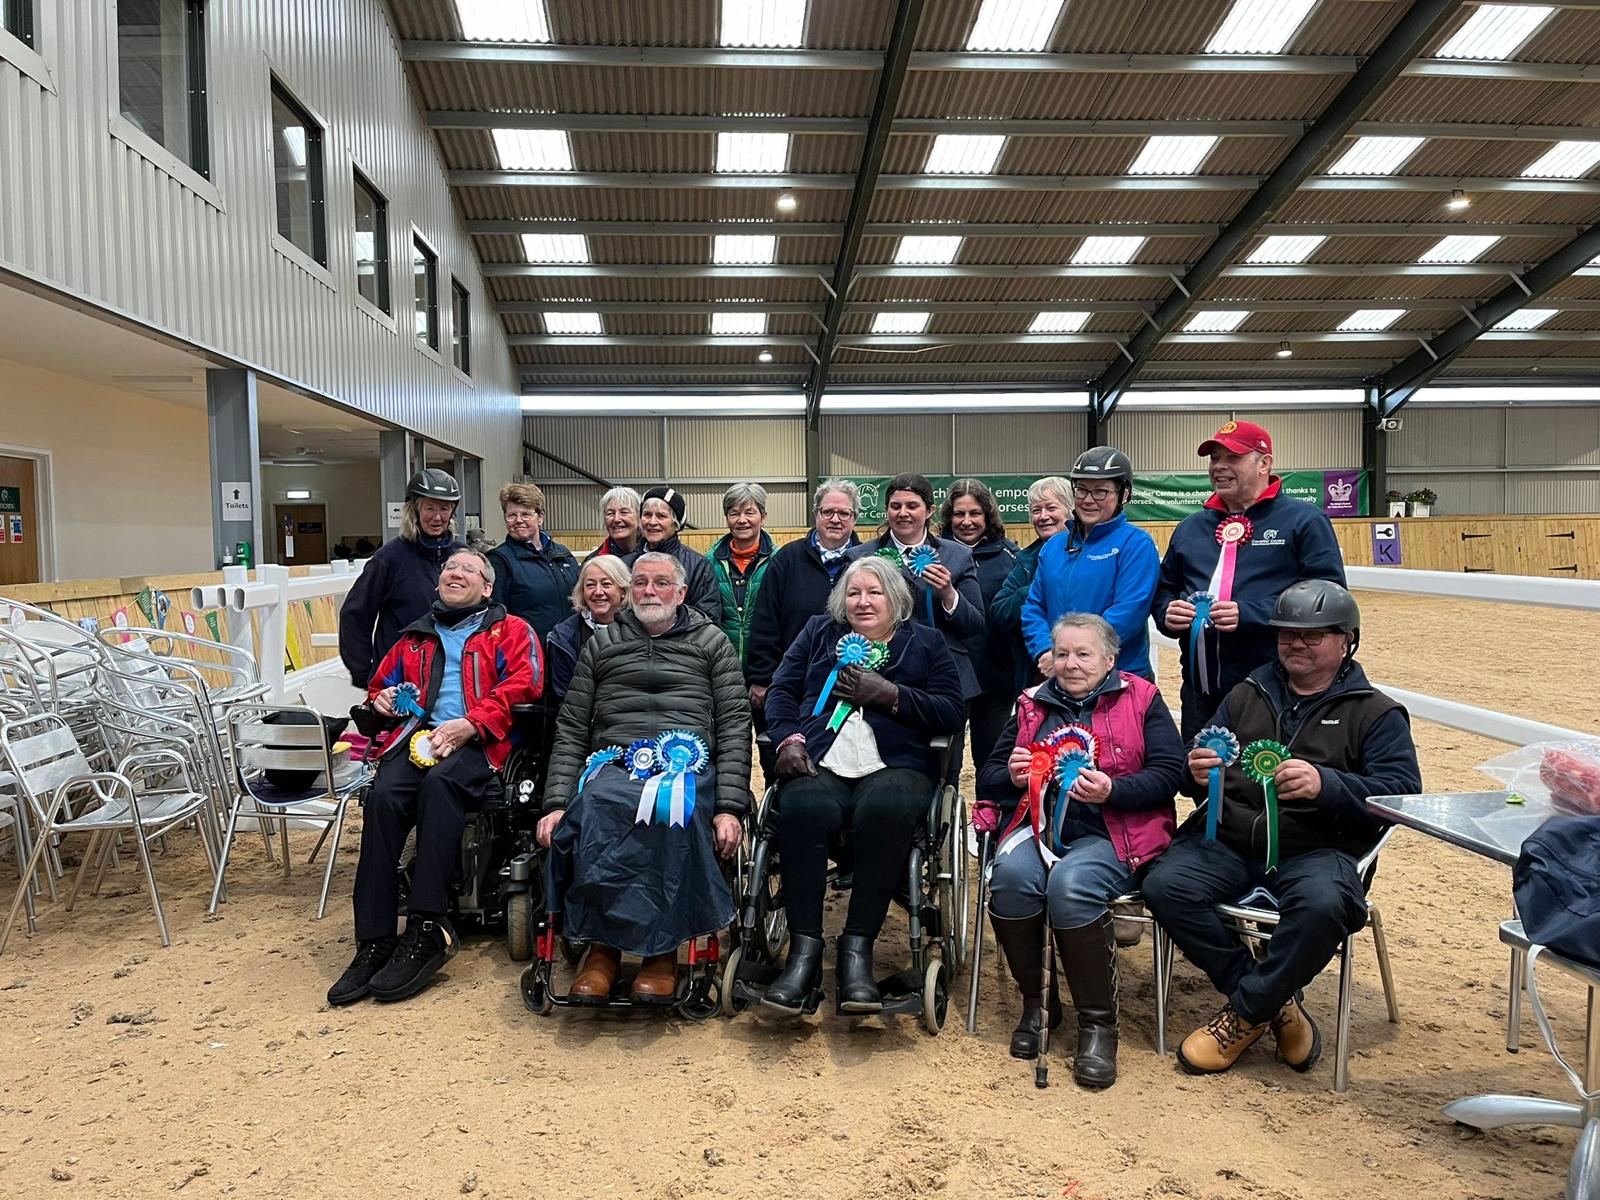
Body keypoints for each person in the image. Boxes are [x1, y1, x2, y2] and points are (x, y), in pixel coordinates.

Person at [1141, 581, 1421, 1077]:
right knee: (1164, 885)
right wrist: (1195, 768)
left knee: (1324, 906)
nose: (1296, 644)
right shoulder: (1247, 692)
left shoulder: (1376, 713)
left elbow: (1401, 795)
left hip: (1319, 848)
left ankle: (1243, 1015)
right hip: (1227, 840)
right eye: (1287, 634)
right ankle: (1273, 1002)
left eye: (1313, 635)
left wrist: (1327, 784)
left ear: (1347, 640)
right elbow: (1195, 761)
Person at [976, 614, 1184, 1087]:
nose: (1070, 664)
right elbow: (988, 775)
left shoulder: (1142, 698)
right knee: (1009, 879)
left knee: (1070, 885)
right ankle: (1039, 1003)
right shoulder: (1031, 704)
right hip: (1039, 829)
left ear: (1110, 659)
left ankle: (1098, 1026)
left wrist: (1114, 790)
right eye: (1062, 654)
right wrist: (1012, 775)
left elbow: (1170, 773)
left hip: (1115, 832)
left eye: (1083, 654)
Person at [328, 548, 543, 1006]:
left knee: (440, 786)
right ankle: (374, 939)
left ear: (487, 586)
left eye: (468, 569)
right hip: (419, 739)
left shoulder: (511, 630)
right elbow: (379, 687)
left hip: (481, 740)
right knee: (383, 796)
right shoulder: (413, 639)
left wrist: (471, 723)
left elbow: (525, 684)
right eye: (450, 568)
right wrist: (380, 701)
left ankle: (429, 924)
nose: (455, 574)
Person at [537, 553, 750, 1001]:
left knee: (674, 816)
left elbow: (734, 724)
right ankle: (603, 950)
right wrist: (556, 803)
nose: (649, 591)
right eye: (640, 583)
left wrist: (729, 807)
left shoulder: (712, 642)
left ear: (682, 592)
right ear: (629, 592)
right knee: (596, 808)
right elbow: (572, 726)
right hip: (616, 764)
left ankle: (661, 953)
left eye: (660, 583)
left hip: (688, 769)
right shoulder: (603, 644)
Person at [761, 556, 965, 1013]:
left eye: (874, 592)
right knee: (802, 806)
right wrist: (789, 738)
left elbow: (952, 711)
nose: (863, 601)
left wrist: (892, 696)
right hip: (822, 758)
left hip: (897, 765)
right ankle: (804, 952)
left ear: (896, 599)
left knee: (886, 809)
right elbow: (782, 690)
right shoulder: (819, 633)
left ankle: (857, 950)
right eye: (853, 593)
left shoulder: (926, 642)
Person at [1152, 421, 1346, 740]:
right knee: (1199, 768)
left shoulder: (1305, 521)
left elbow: (1327, 596)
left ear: (1264, 463)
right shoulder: (1191, 528)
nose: (1219, 466)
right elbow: (1166, 587)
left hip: (1275, 690)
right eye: (1215, 458)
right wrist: (1167, 613)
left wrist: (1251, 614)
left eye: (1233, 458)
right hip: (1201, 692)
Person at [746, 480, 862, 780]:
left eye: (844, 513)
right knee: (782, 762)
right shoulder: (787, 559)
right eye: (827, 511)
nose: (835, 519)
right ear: (816, 514)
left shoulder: (867, 561)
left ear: (855, 518)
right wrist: (761, 678)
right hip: (792, 681)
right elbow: (765, 621)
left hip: (852, 685)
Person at [1022, 448, 1159, 685]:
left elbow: (1128, 612)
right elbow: (1034, 606)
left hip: (1119, 677)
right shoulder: (1054, 546)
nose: (1088, 500)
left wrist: (1071, 655)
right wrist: (1045, 649)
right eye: (1082, 489)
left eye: (1100, 491)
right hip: (1062, 674)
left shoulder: (1136, 544)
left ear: (1123, 494)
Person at [845, 473, 986, 703]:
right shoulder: (860, 556)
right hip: (882, 677)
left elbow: (975, 625)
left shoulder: (958, 555)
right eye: (895, 506)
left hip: (947, 679)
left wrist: (949, 594)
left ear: (930, 510)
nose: (903, 513)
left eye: (912, 506)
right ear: (887, 510)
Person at [338, 468, 465, 688]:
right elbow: (355, 615)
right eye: (429, 508)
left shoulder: (463, 557)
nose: (437, 517)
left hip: (452, 678)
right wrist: (363, 672)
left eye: (444, 509)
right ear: (414, 510)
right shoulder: (389, 559)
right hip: (400, 680)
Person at [939, 480, 1019, 776]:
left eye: (975, 513)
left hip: (994, 678)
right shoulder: (933, 554)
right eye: (959, 514)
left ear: (988, 515)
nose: (967, 521)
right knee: (946, 761)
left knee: (992, 761)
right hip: (949, 678)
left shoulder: (1010, 557)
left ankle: (990, 807)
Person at [990, 476, 1073, 693]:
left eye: (1051, 508)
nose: (1043, 516)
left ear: (1070, 510)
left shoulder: (1090, 553)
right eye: (1036, 511)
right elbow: (999, 611)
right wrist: (1038, 589)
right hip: (1035, 671)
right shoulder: (1026, 560)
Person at [488, 482, 580, 645]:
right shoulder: (499, 561)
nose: (518, 520)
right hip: (529, 651)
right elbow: (495, 617)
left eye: (526, 514)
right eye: (511, 515)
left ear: (540, 517)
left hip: (569, 649)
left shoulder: (563, 554)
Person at [625, 485, 721, 625]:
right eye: (647, 515)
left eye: (661, 516)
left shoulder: (698, 566)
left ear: (676, 524)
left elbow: (707, 617)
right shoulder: (626, 563)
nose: (652, 522)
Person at [544, 555, 631, 704]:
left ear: (623, 589)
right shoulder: (564, 637)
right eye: (590, 585)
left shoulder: (643, 628)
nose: (598, 592)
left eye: (606, 584)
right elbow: (564, 696)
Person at [709, 482, 775, 670]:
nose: (742, 520)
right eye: (734, 513)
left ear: (763, 517)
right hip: (720, 665)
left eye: (749, 512)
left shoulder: (779, 561)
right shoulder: (709, 562)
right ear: (726, 518)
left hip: (766, 666)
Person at [584, 486, 643, 561]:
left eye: (624, 512)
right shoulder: (594, 562)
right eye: (610, 513)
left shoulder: (654, 555)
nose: (616, 519)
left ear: (639, 516)